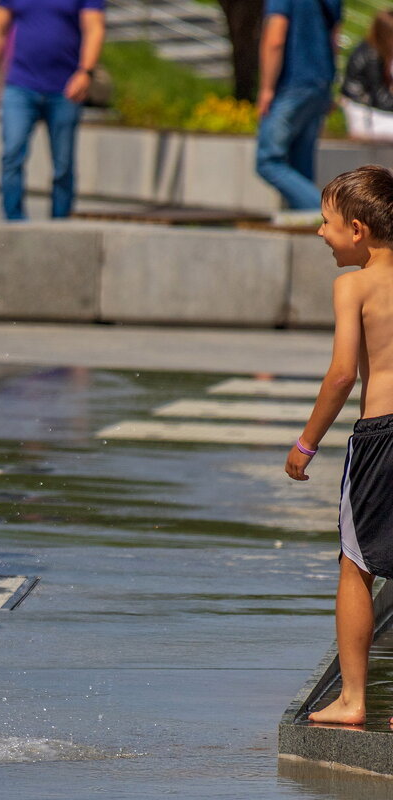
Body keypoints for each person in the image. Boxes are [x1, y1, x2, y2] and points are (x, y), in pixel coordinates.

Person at [285, 165, 393, 725]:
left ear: (357, 229)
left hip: (382, 436)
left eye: (325, 223)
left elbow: (342, 375)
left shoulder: (352, 285)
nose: (319, 233)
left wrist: (306, 443)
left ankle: (353, 700)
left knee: (357, 563)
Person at [0, 0, 106, 221]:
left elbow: (94, 27)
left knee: (63, 165)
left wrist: (85, 72)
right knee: (12, 155)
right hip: (20, 85)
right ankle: (15, 223)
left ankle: (60, 224)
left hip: (66, 89)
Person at [256, 0, 341, 219]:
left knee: (268, 161)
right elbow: (334, 41)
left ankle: (328, 215)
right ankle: (308, 224)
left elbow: (275, 39)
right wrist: (328, 86)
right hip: (320, 83)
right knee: (301, 162)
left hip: (292, 83)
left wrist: (266, 88)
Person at [340, 11, 393, 142]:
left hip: (376, 113)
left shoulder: (381, 53)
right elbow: (380, 98)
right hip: (367, 115)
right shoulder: (370, 56)